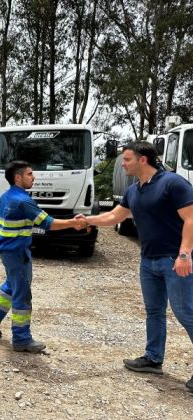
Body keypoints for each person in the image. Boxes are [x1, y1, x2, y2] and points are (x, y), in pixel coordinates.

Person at [78, 142, 193, 392]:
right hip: (148, 260)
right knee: (154, 312)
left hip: (174, 260)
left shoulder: (173, 183)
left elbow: (191, 219)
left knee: (186, 313)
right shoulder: (133, 190)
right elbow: (114, 217)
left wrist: (185, 254)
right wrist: (87, 219)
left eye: (127, 159)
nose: (122, 163)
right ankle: (153, 358)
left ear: (143, 160)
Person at [0, 161, 87, 352]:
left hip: (8, 252)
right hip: (18, 253)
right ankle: (22, 339)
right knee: (22, 294)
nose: (34, 177)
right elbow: (48, 223)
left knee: (11, 287)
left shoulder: (6, 197)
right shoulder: (23, 201)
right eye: (30, 174)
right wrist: (73, 222)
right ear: (18, 177)